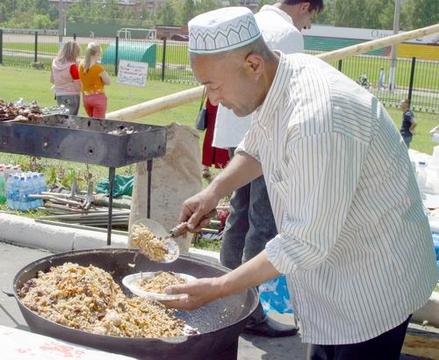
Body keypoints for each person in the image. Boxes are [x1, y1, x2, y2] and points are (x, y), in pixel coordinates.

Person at [165, 8, 438, 360]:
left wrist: (219, 287)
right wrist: (213, 191)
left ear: (252, 65)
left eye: (214, 86)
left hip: (373, 285)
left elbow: (303, 242)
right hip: (334, 277)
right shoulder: (280, 78)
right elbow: (258, 146)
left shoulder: (317, 119)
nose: (213, 100)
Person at [212, 0, 323, 337]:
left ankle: (226, 298)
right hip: (265, 137)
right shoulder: (288, 35)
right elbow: (285, 95)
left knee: (238, 215)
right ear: (304, 5)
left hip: (238, 134)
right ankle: (249, 310)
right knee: (263, 222)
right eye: (310, 17)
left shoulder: (251, 22)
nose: (307, 25)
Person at [79, 43, 111, 119]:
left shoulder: (81, 65)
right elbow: (108, 81)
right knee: (98, 124)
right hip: (98, 98)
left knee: (91, 122)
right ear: (97, 53)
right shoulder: (98, 68)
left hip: (86, 98)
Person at [50, 40, 81, 115]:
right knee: (71, 120)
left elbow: (52, 80)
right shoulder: (72, 66)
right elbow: (78, 86)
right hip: (72, 95)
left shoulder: (54, 63)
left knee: (62, 118)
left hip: (59, 95)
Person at [201, 99, 230, 180]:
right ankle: (206, 166)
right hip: (216, 101)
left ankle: (223, 166)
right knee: (211, 133)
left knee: (223, 133)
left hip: (223, 102)